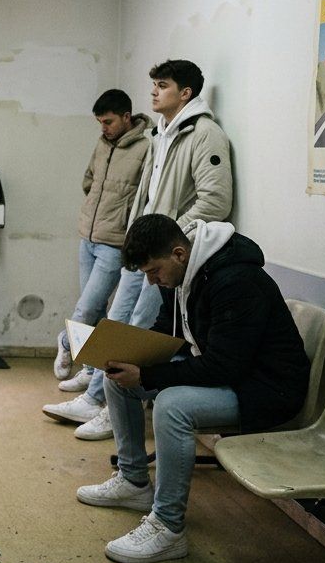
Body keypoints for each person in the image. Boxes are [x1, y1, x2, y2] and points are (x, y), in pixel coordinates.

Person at [76, 213, 309, 563]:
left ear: (179, 253)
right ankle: (133, 482)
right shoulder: (180, 274)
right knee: (118, 379)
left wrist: (147, 375)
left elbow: (224, 366)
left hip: (267, 390)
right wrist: (126, 353)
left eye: (154, 271)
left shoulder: (236, 280)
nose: (152, 281)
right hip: (232, 375)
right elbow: (167, 330)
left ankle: (168, 527)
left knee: (172, 406)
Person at [43, 59, 233, 440]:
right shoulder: (162, 132)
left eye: (163, 85)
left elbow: (215, 201)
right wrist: (137, 236)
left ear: (185, 93)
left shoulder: (204, 134)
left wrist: (168, 238)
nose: (154, 92)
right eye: (154, 85)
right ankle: (95, 397)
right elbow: (146, 196)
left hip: (166, 255)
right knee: (117, 325)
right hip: (144, 247)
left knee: (138, 331)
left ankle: (107, 409)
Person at [42, 89, 149, 441]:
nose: (103, 128)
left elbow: (142, 196)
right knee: (96, 309)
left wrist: (118, 219)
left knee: (86, 309)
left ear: (127, 117)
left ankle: (65, 340)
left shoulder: (145, 147)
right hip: (87, 237)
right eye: (100, 122)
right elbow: (89, 180)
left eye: (108, 121)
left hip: (114, 243)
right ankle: (89, 369)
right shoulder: (103, 143)